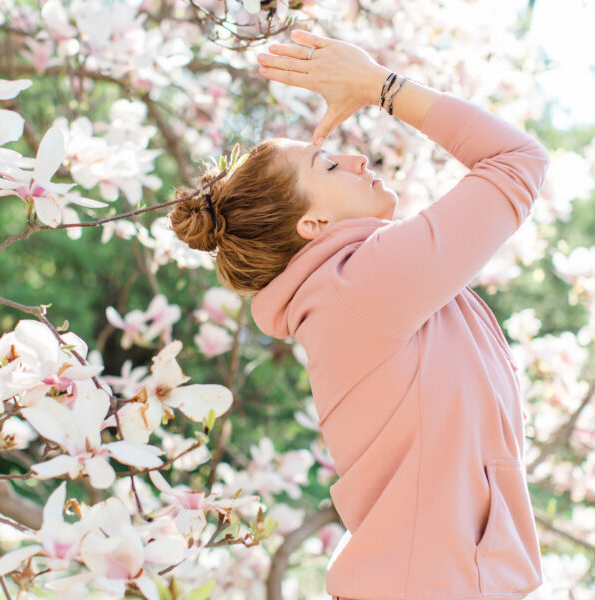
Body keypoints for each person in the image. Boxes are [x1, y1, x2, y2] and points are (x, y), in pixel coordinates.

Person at [169, 30, 550, 600]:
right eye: (328, 165)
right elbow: (519, 161)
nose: (357, 156)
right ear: (313, 226)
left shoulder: (348, 293)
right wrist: (380, 87)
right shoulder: (360, 286)